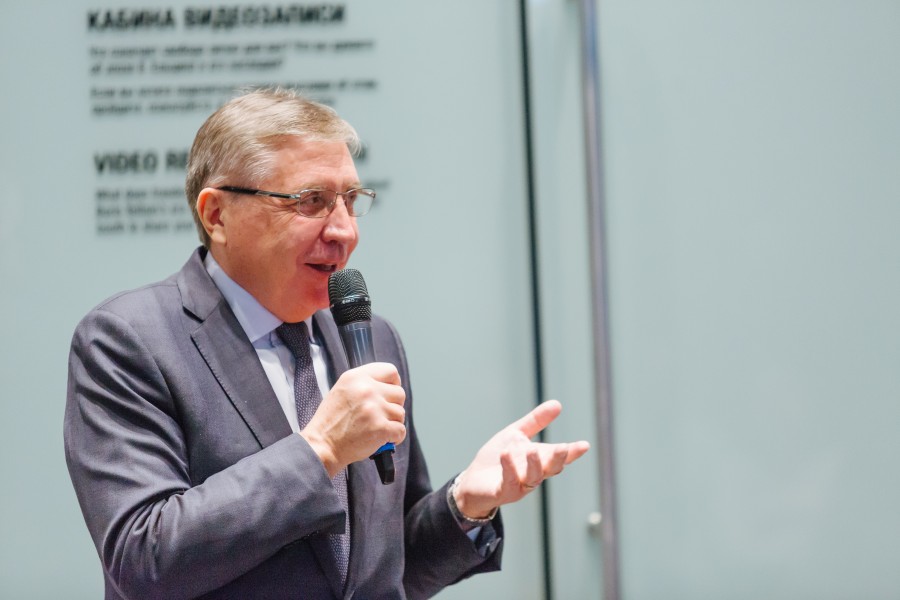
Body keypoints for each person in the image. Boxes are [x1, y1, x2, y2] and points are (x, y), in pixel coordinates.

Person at [64, 88, 590, 600]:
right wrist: (320, 450)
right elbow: (142, 560)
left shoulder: (373, 337)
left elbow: (382, 571)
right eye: (311, 201)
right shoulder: (130, 340)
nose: (344, 231)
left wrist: (464, 505)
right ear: (217, 215)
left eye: (351, 200)